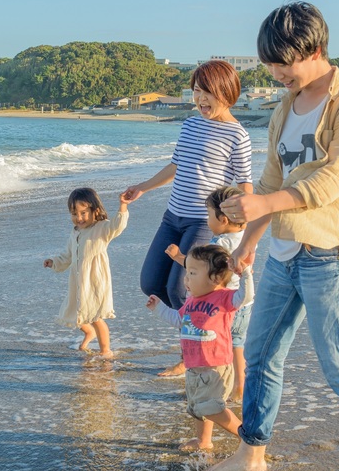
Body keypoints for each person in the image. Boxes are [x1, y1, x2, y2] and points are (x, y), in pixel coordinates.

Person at [206, 2, 339, 471]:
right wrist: (249, 240)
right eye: (270, 63)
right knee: (261, 353)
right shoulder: (282, 108)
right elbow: (273, 179)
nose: (275, 73)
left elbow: (333, 178)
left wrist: (263, 202)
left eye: (283, 63)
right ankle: (252, 453)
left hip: (331, 252)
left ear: (315, 50)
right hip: (282, 253)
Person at [121, 60, 253, 376]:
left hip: (202, 223)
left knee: (181, 290)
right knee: (151, 283)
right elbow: (176, 166)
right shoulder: (191, 124)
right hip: (172, 217)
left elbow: (245, 186)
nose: (201, 99)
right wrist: (143, 187)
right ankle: (198, 341)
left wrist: (245, 235)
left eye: (208, 93)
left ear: (227, 92)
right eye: (197, 91)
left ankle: (194, 356)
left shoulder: (238, 136)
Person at [146, 244, 246, 451]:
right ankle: (204, 441)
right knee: (197, 407)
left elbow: (246, 296)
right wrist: (159, 308)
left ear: (215, 278)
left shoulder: (224, 298)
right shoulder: (191, 302)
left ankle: (246, 436)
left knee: (211, 407)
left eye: (192, 273)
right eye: (186, 272)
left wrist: (247, 275)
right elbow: (178, 320)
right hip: (194, 365)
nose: (186, 279)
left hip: (214, 365)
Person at [164, 185, 255, 402]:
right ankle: (239, 386)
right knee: (237, 343)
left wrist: (179, 257)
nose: (207, 220)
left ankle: (211, 383)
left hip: (223, 304)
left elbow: (207, 269)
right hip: (243, 300)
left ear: (223, 219)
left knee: (215, 344)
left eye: (209, 215)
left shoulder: (221, 243)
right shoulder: (246, 237)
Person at [44, 187, 129, 359]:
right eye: (74, 213)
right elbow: (67, 255)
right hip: (78, 281)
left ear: (95, 211)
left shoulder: (102, 228)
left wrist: (123, 206)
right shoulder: (75, 232)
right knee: (74, 311)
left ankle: (106, 350)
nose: (79, 218)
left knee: (96, 316)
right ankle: (89, 333)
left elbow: (117, 226)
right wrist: (54, 262)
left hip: (95, 280)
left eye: (83, 213)